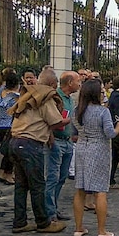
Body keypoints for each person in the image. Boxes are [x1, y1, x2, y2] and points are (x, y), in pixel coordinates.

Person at [9, 69, 68, 233]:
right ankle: (44, 222)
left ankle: (19, 222)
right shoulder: (45, 98)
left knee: (21, 186)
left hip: (15, 141)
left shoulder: (28, 95)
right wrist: (69, 120)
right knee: (37, 186)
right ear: (52, 84)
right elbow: (56, 121)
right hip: (30, 144)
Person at [72, 79, 119, 236]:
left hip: (82, 148)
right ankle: (102, 231)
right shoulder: (102, 112)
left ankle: (78, 227)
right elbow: (110, 133)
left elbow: (74, 132)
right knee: (100, 190)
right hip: (98, 150)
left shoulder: (77, 110)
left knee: (80, 189)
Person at [46, 71, 80, 222]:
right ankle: (49, 211)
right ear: (70, 82)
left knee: (61, 177)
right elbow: (53, 121)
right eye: (78, 81)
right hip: (56, 140)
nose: (80, 84)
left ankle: (54, 207)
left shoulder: (70, 99)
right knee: (52, 177)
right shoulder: (55, 97)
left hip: (68, 140)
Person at [0, 71, 19, 185]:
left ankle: (2, 174)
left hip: (0, 124)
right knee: (11, 154)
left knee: (7, 152)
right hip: (10, 126)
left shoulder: (1, 91)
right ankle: (8, 175)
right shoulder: (15, 97)